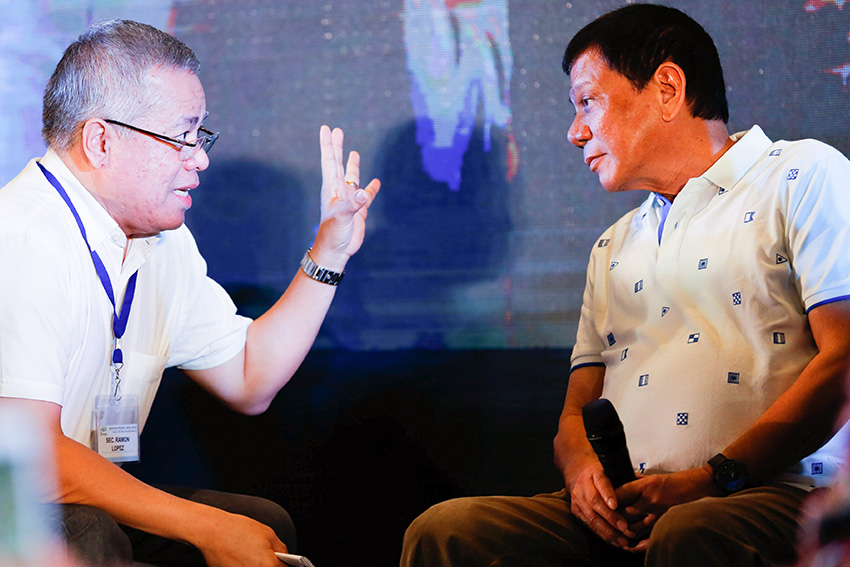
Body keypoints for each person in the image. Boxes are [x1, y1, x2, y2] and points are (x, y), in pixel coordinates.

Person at [400, 4, 850, 566]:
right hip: (629, 509)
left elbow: (845, 357)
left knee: (691, 532)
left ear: (667, 87)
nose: (574, 131)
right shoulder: (613, 245)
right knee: (449, 531)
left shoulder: (802, 175)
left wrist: (716, 478)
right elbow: (574, 416)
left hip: (769, 495)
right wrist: (583, 473)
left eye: (588, 102)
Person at [0, 19, 380, 567]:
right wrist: (206, 527)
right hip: (20, 509)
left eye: (200, 136)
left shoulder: (160, 241)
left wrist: (330, 252)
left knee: (261, 526)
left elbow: (250, 377)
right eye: (180, 136)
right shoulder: (25, 236)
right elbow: (32, 458)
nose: (199, 157)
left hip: (76, 501)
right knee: (89, 532)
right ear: (100, 139)